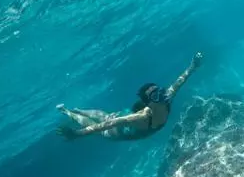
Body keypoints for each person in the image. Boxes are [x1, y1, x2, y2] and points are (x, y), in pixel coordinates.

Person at [56, 52, 203, 140]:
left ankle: (79, 110)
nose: (162, 95)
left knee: (102, 114)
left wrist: (193, 65)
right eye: (156, 95)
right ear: (150, 103)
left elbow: (181, 80)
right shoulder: (142, 117)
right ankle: (68, 112)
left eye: (160, 91)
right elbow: (107, 126)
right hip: (117, 132)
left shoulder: (167, 97)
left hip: (125, 115)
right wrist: (77, 133)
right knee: (97, 121)